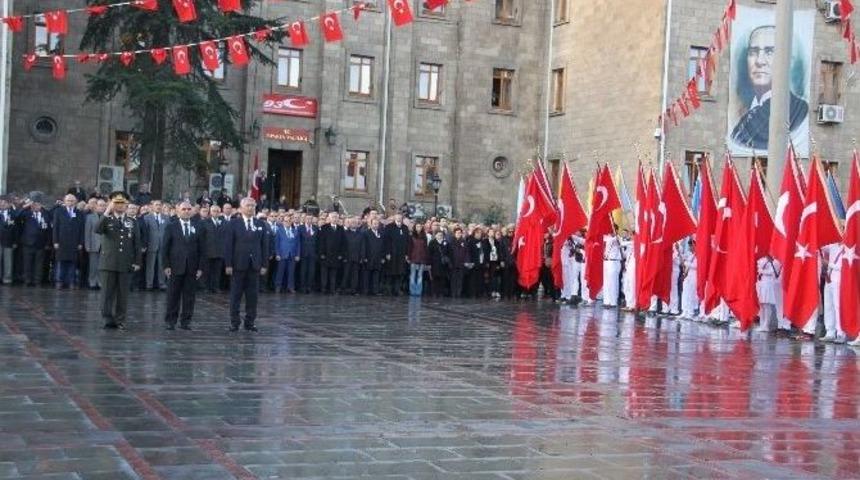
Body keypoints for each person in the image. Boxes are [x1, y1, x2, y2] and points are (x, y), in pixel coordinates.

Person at [730, 25, 809, 151]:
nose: (760, 61)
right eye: (753, 52)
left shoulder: (798, 109)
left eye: (770, 52)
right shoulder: (746, 116)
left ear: (787, 61)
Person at [96, 192, 142, 330]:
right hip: (108, 262)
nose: (120, 206)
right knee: (107, 294)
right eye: (117, 203)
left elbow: (137, 243)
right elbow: (97, 229)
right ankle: (107, 318)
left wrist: (137, 262)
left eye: (122, 203)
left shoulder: (132, 221)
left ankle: (120, 319)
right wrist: (107, 210)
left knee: (123, 295)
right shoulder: (106, 219)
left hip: (125, 262)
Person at [224, 197, 269, 332]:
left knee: (252, 296)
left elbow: (265, 246)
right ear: (241, 208)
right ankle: (234, 322)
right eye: (248, 205)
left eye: (253, 206)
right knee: (236, 295)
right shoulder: (233, 224)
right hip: (238, 264)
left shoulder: (260, 224)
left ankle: (250, 322)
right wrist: (228, 264)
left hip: (254, 265)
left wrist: (264, 264)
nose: (251, 208)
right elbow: (228, 245)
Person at [160, 201, 204, 331]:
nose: (186, 211)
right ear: (178, 210)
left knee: (189, 296)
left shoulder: (198, 226)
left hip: (192, 267)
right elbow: (165, 248)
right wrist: (166, 265)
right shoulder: (171, 226)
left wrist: (201, 267)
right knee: (173, 295)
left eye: (188, 209)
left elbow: (202, 249)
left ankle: (186, 321)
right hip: (175, 266)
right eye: (183, 209)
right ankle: (170, 321)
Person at [52, 194, 85, 289]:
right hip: (61, 241)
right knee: (60, 262)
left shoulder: (79, 213)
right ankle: (59, 281)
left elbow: (81, 229)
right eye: (68, 200)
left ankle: (71, 281)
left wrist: (80, 243)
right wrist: (55, 241)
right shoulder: (58, 212)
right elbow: (55, 228)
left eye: (72, 200)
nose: (70, 202)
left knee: (72, 263)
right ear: (64, 201)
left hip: (74, 242)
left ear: (75, 202)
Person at [19, 199, 50, 287]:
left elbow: (49, 229)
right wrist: (25, 207)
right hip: (28, 243)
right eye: (34, 205)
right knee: (27, 263)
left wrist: (48, 242)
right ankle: (27, 280)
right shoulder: (27, 214)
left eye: (38, 204)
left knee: (39, 264)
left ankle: (37, 281)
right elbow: (17, 216)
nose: (36, 206)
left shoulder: (45, 214)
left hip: (41, 243)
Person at [200, 205, 227, 293]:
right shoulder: (205, 222)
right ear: (210, 212)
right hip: (208, 250)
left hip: (219, 250)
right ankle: (206, 287)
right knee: (207, 270)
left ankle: (215, 287)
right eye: (214, 211)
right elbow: (202, 237)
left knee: (217, 271)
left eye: (217, 211)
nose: (216, 213)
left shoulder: (224, 222)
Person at [756, 255, 786, 333]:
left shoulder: (775, 261)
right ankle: (761, 324)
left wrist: (762, 271)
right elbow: (758, 266)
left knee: (767, 305)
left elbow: (773, 272)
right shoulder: (762, 259)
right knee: (761, 305)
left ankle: (766, 325)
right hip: (761, 283)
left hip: (769, 283)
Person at [142, 200, 168, 290]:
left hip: (163, 246)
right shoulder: (147, 217)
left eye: (160, 205)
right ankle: (149, 284)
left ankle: (162, 283)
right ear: (152, 206)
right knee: (150, 266)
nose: (158, 206)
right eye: (156, 205)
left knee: (162, 266)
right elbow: (145, 232)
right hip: (151, 245)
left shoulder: (166, 218)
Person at [318, 212, 344, 294]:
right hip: (325, 255)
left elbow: (343, 243)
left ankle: (332, 289)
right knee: (324, 274)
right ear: (329, 218)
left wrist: (341, 254)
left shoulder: (340, 228)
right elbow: (321, 242)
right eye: (333, 217)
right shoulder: (324, 227)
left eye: (336, 217)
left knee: (333, 274)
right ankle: (323, 289)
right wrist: (321, 253)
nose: (335, 218)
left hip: (336, 255)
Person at [822, 243, 844, 342]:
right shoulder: (833, 245)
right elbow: (820, 246)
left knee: (838, 306)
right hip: (829, 279)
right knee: (828, 305)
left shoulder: (848, 247)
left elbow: (843, 267)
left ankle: (840, 333)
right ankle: (830, 331)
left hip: (839, 279)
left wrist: (828, 263)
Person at [274, 213, 301, 293]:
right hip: (282, 254)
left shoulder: (295, 231)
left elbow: (298, 244)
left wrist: (297, 255)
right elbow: (277, 243)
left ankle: (290, 287)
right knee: (280, 271)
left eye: (289, 221)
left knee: (291, 272)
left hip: (292, 255)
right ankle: (278, 286)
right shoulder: (279, 231)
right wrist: (277, 254)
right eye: (286, 221)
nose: (287, 222)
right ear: (283, 222)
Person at [384, 214, 410, 296]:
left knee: (400, 272)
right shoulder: (389, 227)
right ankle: (389, 290)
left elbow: (407, 242)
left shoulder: (405, 228)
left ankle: (397, 289)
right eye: (397, 217)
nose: (399, 219)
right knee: (390, 272)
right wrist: (387, 252)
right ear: (395, 218)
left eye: (400, 218)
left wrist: (406, 253)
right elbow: (386, 240)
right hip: (392, 253)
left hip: (401, 254)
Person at [84, 199, 106, 290]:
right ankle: (92, 282)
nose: (102, 207)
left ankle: (101, 283)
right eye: (100, 205)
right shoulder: (90, 217)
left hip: (105, 246)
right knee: (93, 265)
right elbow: (87, 232)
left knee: (102, 265)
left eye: (103, 205)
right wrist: (87, 245)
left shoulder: (108, 217)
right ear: (96, 206)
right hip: (93, 244)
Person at [341, 217, 366, 295]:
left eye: (355, 223)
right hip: (347, 257)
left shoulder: (361, 234)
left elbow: (363, 246)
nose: (353, 224)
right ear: (349, 224)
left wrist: (362, 256)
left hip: (357, 257)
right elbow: (343, 246)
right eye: (352, 223)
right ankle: (343, 289)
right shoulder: (345, 233)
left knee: (355, 275)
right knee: (346, 274)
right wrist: (343, 256)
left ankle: (353, 289)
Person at [362, 217, 385, 295]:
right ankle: (366, 290)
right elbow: (364, 246)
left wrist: (382, 257)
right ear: (370, 224)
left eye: (377, 224)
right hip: (369, 257)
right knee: (367, 275)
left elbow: (382, 246)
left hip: (378, 258)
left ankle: (375, 291)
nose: (376, 225)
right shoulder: (366, 233)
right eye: (374, 223)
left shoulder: (381, 233)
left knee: (376, 275)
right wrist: (364, 257)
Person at [407, 223, 430, 296]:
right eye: (417, 226)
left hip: (422, 258)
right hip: (413, 258)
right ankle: (412, 291)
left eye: (420, 226)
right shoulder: (412, 236)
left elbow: (426, 248)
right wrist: (408, 257)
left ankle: (418, 291)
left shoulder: (424, 237)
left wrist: (426, 259)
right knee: (413, 275)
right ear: (415, 227)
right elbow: (409, 248)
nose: (419, 228)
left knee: (420, 276)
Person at [602, 230, 622, 307]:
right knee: (606, 282)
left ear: (616, 230)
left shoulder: (618, 238)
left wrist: (616, 236)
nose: (609, 232)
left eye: (611, 230)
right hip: (606, 261)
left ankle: (613, 302)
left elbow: (620, 242)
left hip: (614, 262)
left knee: (613, 282)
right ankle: (607, 301)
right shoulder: (607, 238)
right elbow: (604, 239)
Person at [298, 215, 318, 293]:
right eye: (308, 218)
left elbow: (317, 241)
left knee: (311, 271)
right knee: (303, 270)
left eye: (310, 219)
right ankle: (302, 287)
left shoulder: (315, 228)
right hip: (303, 252)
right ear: (305, 219)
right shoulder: (300, 228)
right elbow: (298, 241)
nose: (309, 220)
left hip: (313, 253)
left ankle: (309, 286)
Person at [0, 199, 18, 285]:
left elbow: (15, 229)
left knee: (8, 261)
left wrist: (15, 241)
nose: (2, 204)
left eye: (4, 203)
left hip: (8, 241)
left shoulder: (12, 215)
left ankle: (7, 278)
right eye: (1, 203)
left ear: (9, 204)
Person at [428, 231, 449, 297]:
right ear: (436, 235)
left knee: (442, 279)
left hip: (443, 264)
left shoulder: (445, 242)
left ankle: (441, 292)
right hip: (434, 263)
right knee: (435, 278)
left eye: (441, 235)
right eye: (438, 235)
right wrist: (429, 263)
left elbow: (448, 252)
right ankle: (434, 292)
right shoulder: (432, 242)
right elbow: (429, 253)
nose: (440, 236)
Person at [680, 242, 698, 319]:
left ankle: (690, 312)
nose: (690, 247)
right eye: (690, 246)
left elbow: (696, 266)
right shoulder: (689, 255)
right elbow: (683, 262)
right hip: (687, 275)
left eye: (691, 246)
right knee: (685, 293)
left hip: (694, 275)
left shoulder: (697, 255)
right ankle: (684, 311)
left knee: (691, 294)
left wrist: (686, 263)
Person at [449, 227, 468, 298]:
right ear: (454, 234)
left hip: (461, 263)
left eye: (460, 233)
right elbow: (449, 253)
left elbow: (466, 253)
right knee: (453, 280)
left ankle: (458, 293)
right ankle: (453, 293)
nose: (459, 234)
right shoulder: (451, 242)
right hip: (453, 264)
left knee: (460, 279)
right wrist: (450, 262)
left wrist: (466, 261)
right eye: (457, 233)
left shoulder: (464, 242)